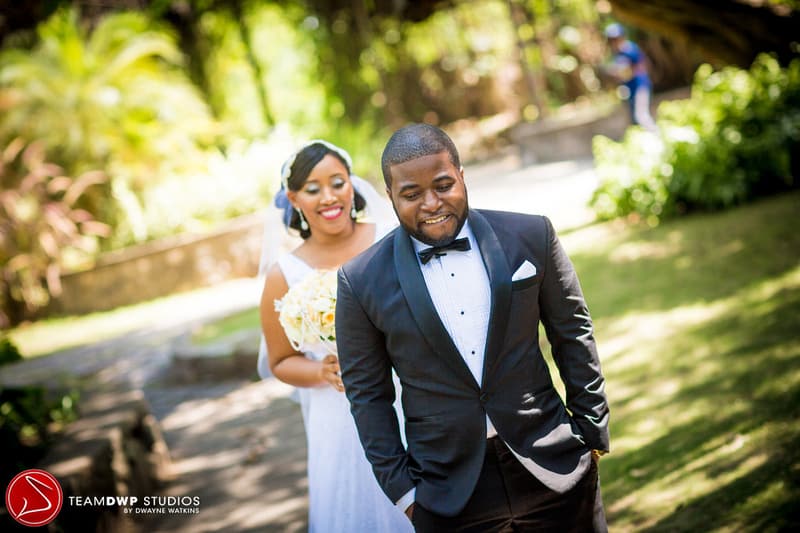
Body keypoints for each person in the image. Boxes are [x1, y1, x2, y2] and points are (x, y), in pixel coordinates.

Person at [335, 123, 610, 532]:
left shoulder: (531, 234)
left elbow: (572, 332)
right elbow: (367, 395)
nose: (431, 203)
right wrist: (406, 494)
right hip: (447, 494)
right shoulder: (359, 281)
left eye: (444, 185)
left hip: (555, 466)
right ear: (390, 196)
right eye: (411, 194)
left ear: (462, 176)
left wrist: (590, 433)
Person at [258, 140, 411, 532]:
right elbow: (279, 361)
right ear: (294, 199)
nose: (329, 197)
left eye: (338, 182)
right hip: (339, 419)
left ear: (353, 185)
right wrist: (322, 373)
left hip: (409, 395)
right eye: (313, 188)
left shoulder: (391, 238)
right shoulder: (285, 275)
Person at [604, 23, 658, 133]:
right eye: (611, 40)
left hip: (640, 86)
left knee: (641, 115)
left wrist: (624, 73)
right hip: (630, 90)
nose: (614, 42)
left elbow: (642, 66)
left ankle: (657, 136)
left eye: (616, 39)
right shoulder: (617, 54)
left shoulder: (630, 49)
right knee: (634, 120)